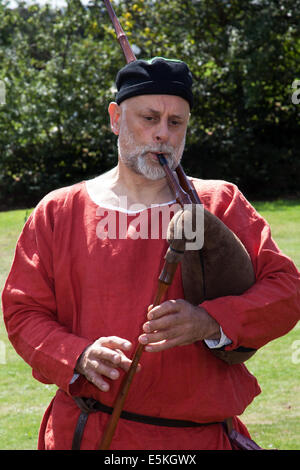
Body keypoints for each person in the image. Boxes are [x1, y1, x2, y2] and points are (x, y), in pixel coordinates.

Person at [2, 57, 300, 450]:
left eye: (175, 123)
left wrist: (209, 321)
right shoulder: (60, 211)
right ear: (115, 118)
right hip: (89, 434)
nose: (163, 134)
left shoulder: (218, 201)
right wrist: (76, 355)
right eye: (149, 118)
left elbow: (286, 291)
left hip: (196, 442)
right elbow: (24, 312)